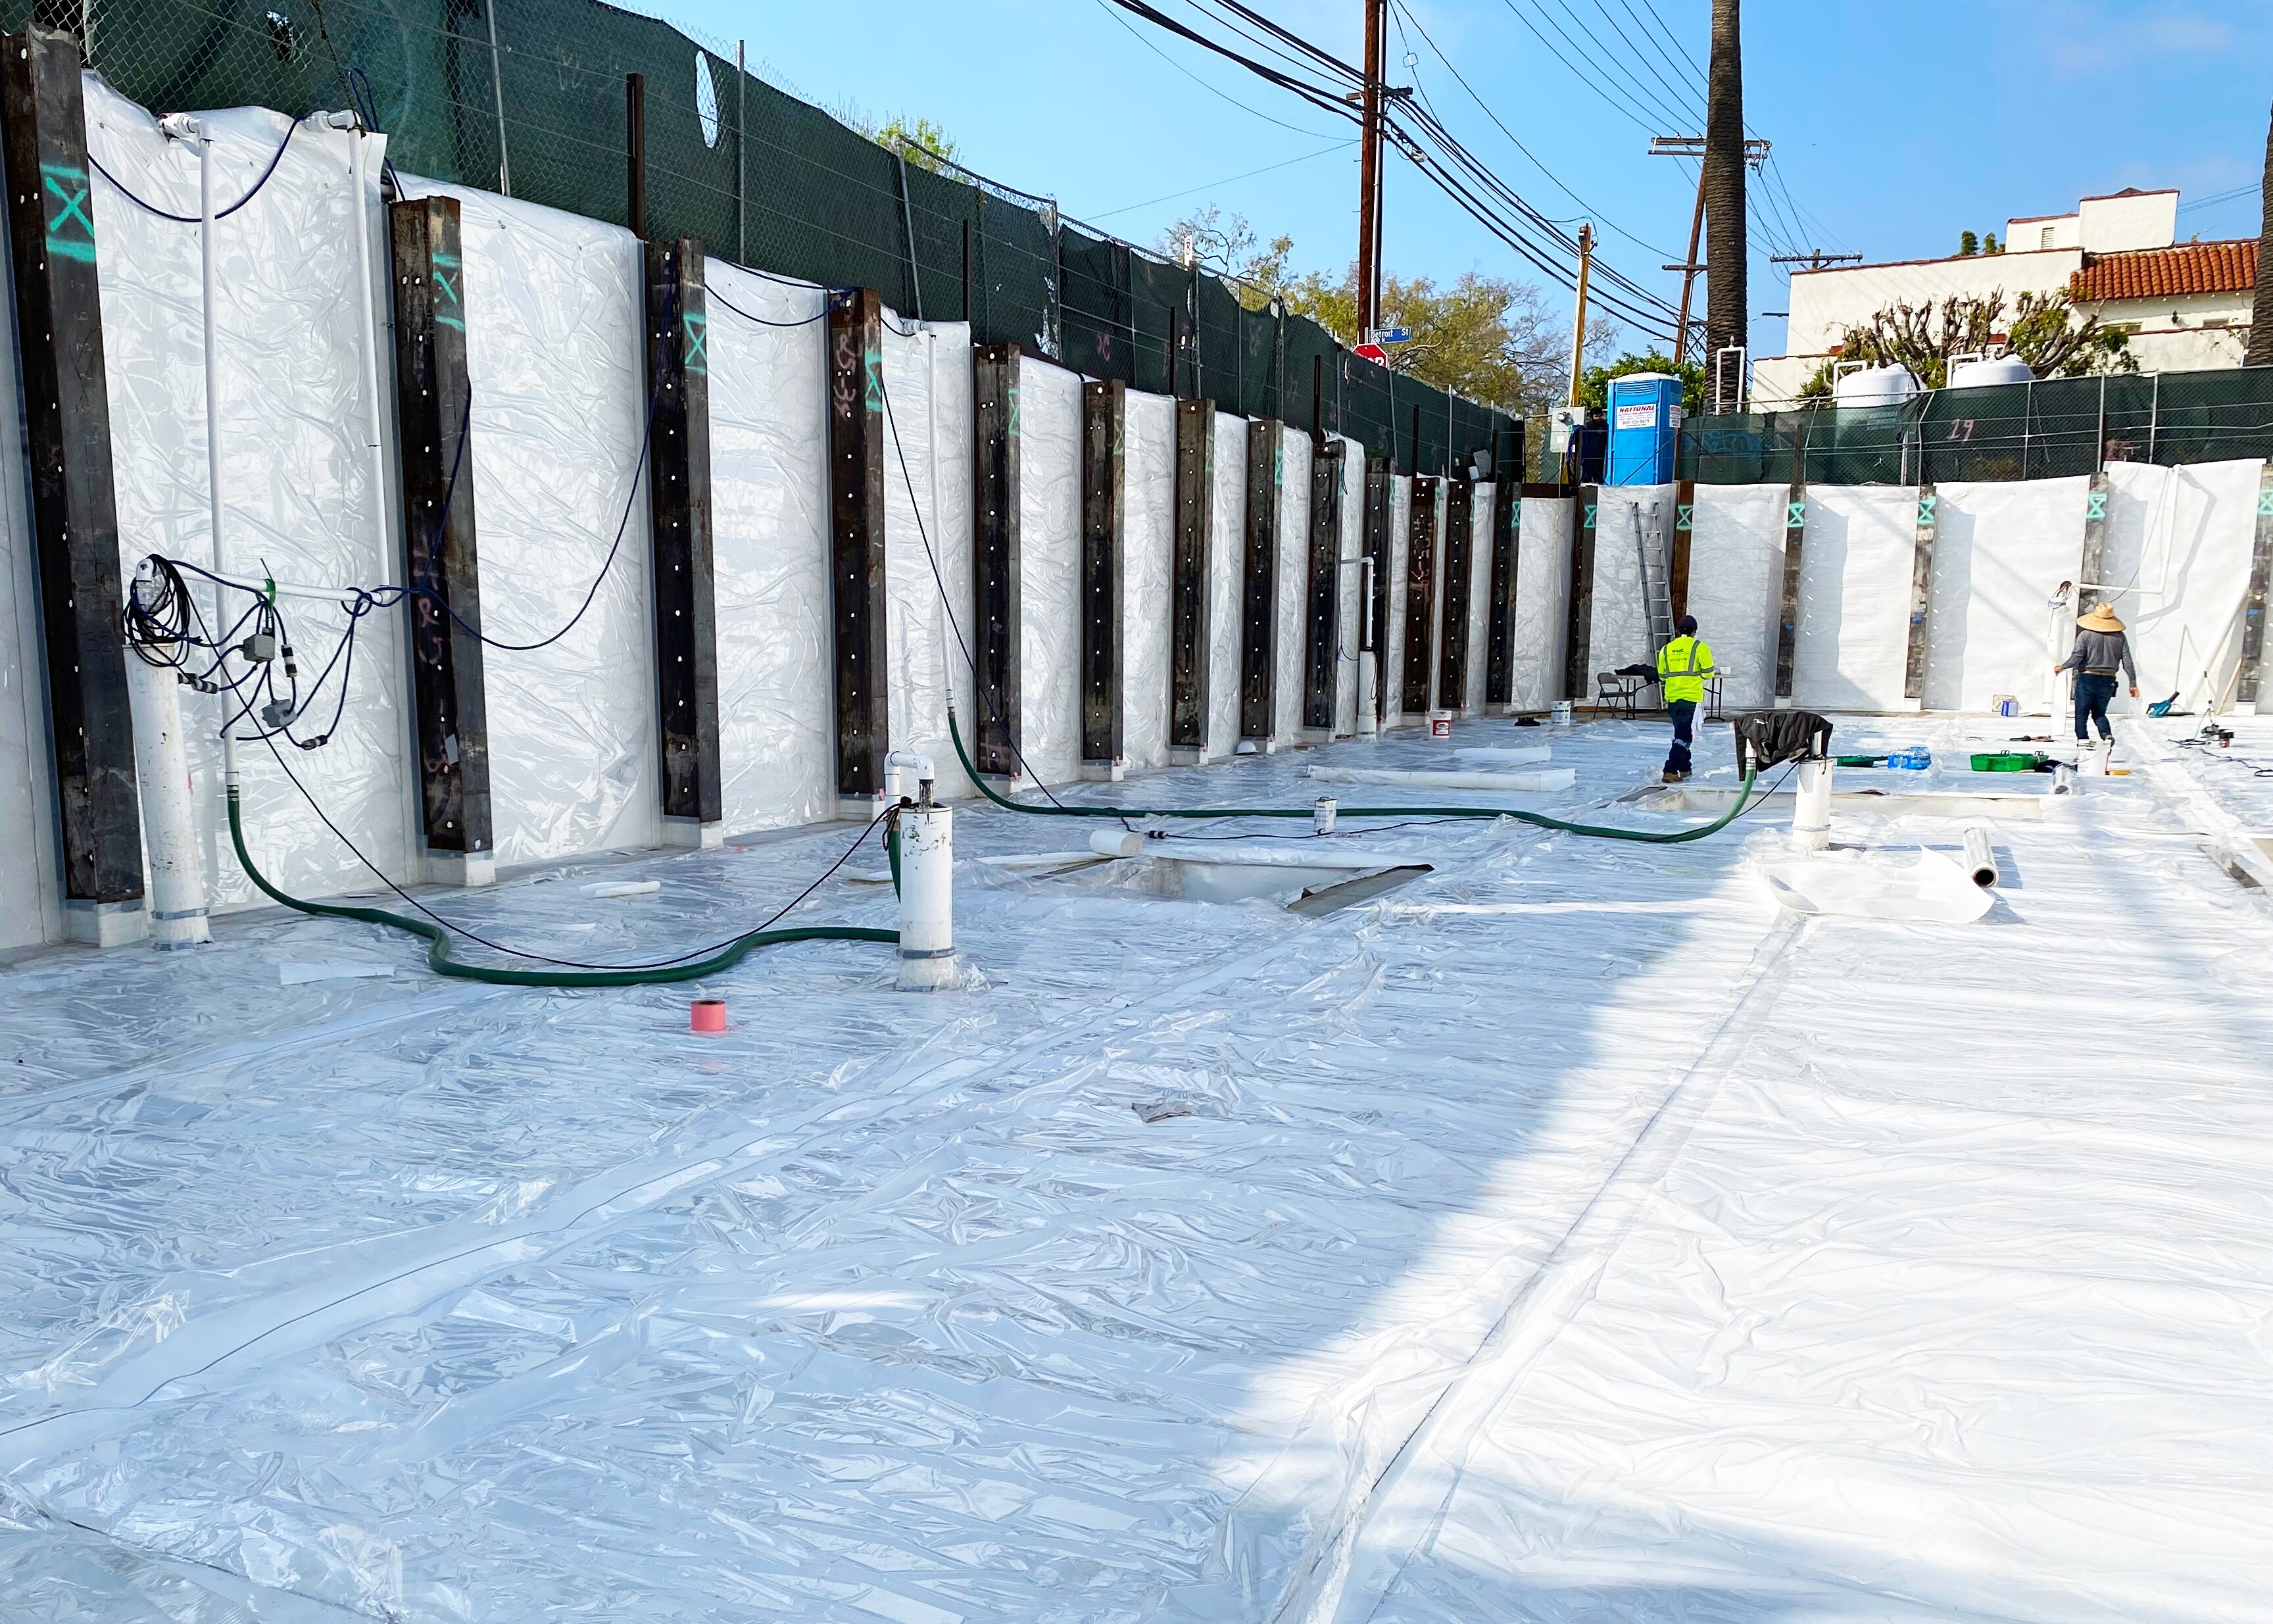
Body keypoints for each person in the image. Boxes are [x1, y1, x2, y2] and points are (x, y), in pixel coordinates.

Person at [2055, 601, 2139, 758]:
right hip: (2108, 680)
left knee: (2081, 716)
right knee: (2099, 713)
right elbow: (2127, 661)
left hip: (2087, 677)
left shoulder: (2085, 635)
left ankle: (2084, 748)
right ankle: (2106, 735)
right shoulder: (2119, 637)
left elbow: (2077, 657)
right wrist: (2133, 684)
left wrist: (2063, 667)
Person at [1656, 614, 1716, 783]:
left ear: (1678, 630)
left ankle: (1685, 768)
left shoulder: (1666, 649)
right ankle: (1670, 770)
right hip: (1690, 698)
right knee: (1684, 738)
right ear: (1694, 631)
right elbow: (1708, 673)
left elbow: (1662, 675)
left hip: (1673, 698)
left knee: (1680, 732)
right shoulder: (1699, 647)